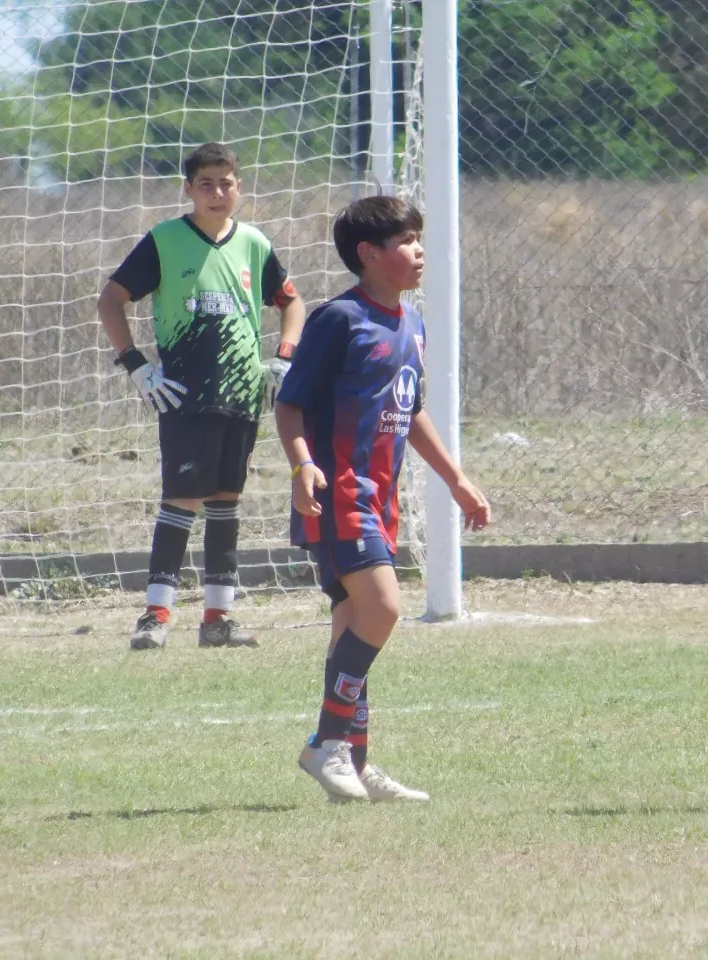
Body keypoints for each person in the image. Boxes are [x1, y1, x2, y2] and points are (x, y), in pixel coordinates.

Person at [275, 195, 490, 803]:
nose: (419, 251)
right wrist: (303, 465)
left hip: (380, 498)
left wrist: (456, 479)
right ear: (369, 255)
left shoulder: (411, 323)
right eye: (406, 242)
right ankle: (326, 744)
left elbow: (409, 407)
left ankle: (356, 760)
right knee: (385, 609)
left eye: (419, 239)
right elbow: (288, 403)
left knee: (353, 622)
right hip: (338, 493)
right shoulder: (338, 320)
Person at [98, 142, 305, 651]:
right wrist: (137, 366)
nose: (217, 192)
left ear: (240, 187)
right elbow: (111, 300)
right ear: (188, 190)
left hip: (242, 395)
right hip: (185, 397)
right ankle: (155, 615)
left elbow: (292, 302)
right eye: (206, 184)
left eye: (226, 182)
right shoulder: (165, 240)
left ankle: (218, 619)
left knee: (226, 503)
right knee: (182, 500)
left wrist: (282, 355)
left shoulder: (254, 243)